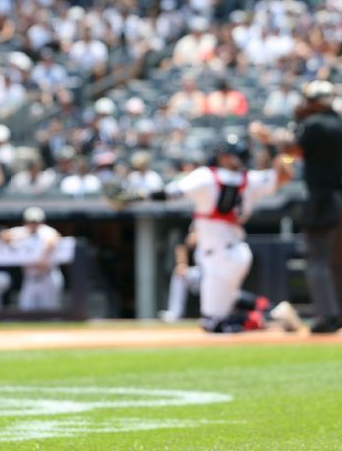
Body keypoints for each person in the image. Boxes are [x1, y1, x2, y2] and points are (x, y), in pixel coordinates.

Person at [106, 135, 302, 334]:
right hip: (235, 251)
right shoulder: (251, 179)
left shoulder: (207, 176)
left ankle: (269, 320)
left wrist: (136, 196)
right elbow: (285, 174)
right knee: (229, 299)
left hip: (218, 253)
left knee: (213, 323)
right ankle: (273, 310)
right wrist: (273, 147)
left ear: (227, 157)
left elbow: (170, 193)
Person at [291, 80, 342, 333]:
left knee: (317, 256)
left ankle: (326, 315)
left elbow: (293, 151)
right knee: (339, 259)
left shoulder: (313, 125)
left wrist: (287, 134)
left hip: (321, 198)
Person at [6, 206, 64, 311]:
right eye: (30, 221)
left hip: (48, 276)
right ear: (25, 221)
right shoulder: (21, 231)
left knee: (50, 312)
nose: (33, 224)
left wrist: (42, 257)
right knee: (26, 311)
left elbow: (54, 238)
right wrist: (14, 238)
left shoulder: (46, 231)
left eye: (36, 222)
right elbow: (4, 235)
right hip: (30, 278)